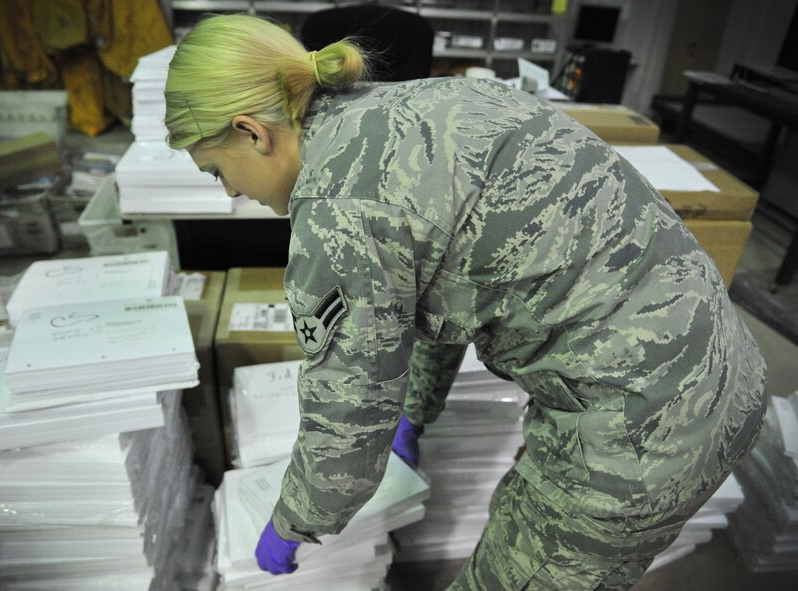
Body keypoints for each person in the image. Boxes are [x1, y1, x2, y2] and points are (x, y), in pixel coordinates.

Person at [164, 14, 767, 590]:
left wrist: (293, 520)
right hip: (718, 366)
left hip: (643, 432)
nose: (232, 193)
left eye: (217, 171)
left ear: (251, 130)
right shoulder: (420, 107)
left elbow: (347, 420)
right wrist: (416, 409)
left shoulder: (335, 211)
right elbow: (443, 278)